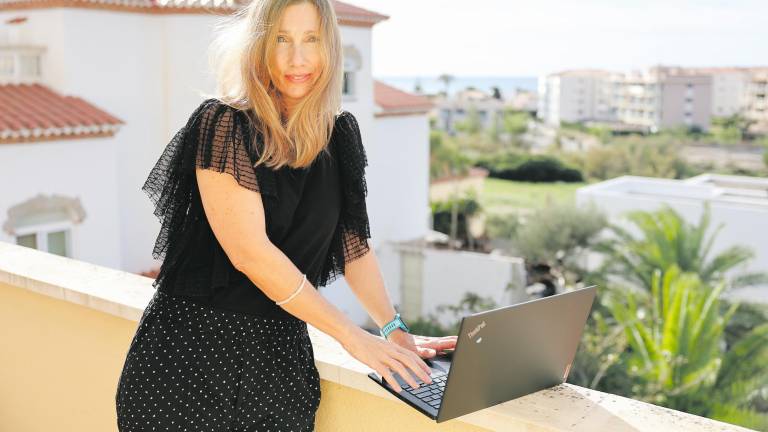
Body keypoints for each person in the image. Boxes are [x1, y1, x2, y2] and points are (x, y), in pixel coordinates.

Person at [114, 0, 457, 430]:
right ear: (259, 47)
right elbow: (250, 253)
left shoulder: (340, 136)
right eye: (282, 40)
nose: (298, 59)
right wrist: (354, 337)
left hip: (280, 365)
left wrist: (394, 330)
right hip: (190, 356)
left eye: (311, 39)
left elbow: (352, 245)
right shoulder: (223, 124)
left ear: (329, 46)